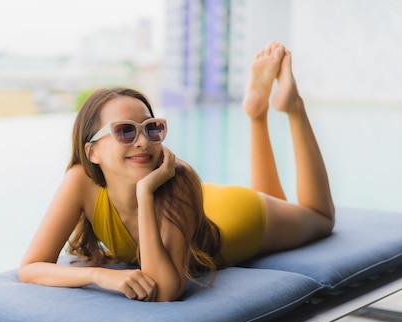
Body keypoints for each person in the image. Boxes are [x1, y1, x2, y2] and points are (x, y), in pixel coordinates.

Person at [18, 42, 335, 302]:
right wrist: (100, 275)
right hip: (197, 206)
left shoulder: (176, 177)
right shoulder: (79, 180)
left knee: (320, 218)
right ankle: (256, 112)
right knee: (278, 199)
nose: (143, 142)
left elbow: (166, 290)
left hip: (238, 218)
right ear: (93, 152)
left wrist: (145, 194)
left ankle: (293, 107)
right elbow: (31, 267)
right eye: (125, 131)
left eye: (152, 129)